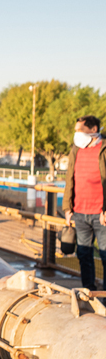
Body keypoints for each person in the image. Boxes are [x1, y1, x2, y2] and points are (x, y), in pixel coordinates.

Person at [63, 115, 106, 291]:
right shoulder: (76, 149)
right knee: (83, 254)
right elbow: (69, 178)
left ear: (94, 129)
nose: (77, 134)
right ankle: (89, 292)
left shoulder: (104, 149)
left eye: (80, 130)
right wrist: (67, 208)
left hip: (101, 215)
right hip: (80, 213)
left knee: (105, 255)